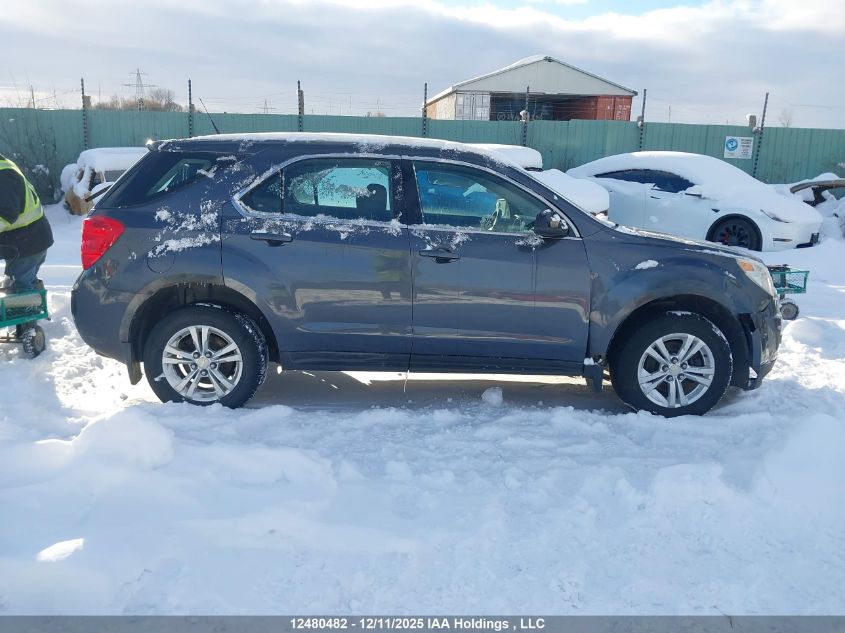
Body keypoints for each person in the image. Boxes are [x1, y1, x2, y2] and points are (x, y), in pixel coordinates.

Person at [0, 154, 53, 293]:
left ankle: (28, 310)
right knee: (21, 282)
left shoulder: (3, 174)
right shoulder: (4, 166)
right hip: (29, 240)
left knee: (20, 287)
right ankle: (35, 305)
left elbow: (7, 214)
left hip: (26, 243)